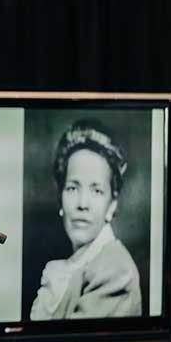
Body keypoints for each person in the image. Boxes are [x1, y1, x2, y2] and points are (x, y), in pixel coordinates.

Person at [30, 119, 141, 320]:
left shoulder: (116, 272)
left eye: (97, 191)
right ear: (60, 198)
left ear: (112, 204)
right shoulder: (77, 264)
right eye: (73, 188)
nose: (82, 203)